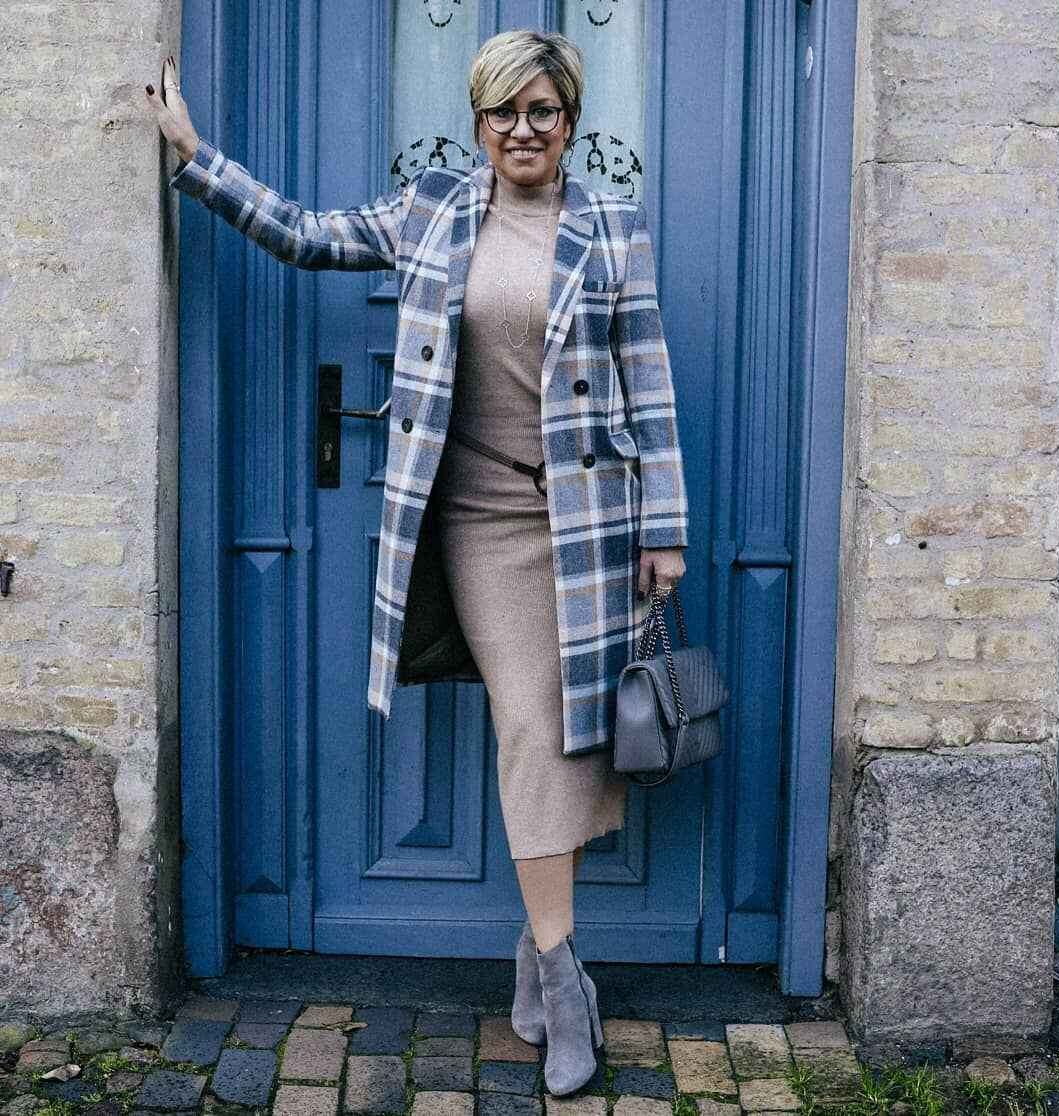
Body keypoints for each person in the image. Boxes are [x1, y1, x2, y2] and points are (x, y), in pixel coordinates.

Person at [145, 28, 687, 1097]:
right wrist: (197, 159)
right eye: (503, 112)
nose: (523, 130)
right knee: (535, 730)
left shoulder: (612, 228)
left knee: (579, 741)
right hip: (480, 524)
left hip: (587, 524)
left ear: (571, 121)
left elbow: (648, 378)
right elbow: (306, 237)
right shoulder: (433, 210)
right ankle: (567, 981)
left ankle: (536, 955)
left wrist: (663, 527)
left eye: (542, 111)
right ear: (478, 123)